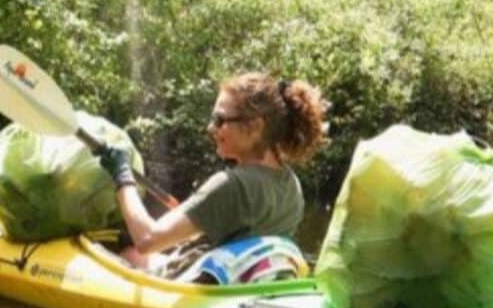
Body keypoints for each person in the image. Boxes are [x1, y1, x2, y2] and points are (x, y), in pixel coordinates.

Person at [98, 72, 327, 277]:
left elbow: (147, 240)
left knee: (129, 252)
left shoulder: (231, 184)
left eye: (220, 120)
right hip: (249, 286)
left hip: (205, 289)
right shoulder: (291, 186)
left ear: (256, 126)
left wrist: (122, 173)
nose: (211, 128)